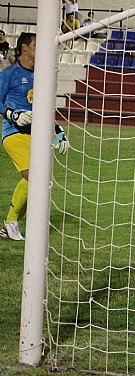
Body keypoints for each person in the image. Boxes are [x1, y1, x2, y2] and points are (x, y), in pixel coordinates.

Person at [0, 33, 70, 241]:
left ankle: (8, 225)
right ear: (25, 48)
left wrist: (58, 132)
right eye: (36, 45)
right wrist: (12, 114)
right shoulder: (10, 74)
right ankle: (11, 222)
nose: (41, 49)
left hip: (35, 135)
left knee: (41, 182)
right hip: (13, 133)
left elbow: (44, 108)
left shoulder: (42, 76)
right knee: (32, 176)